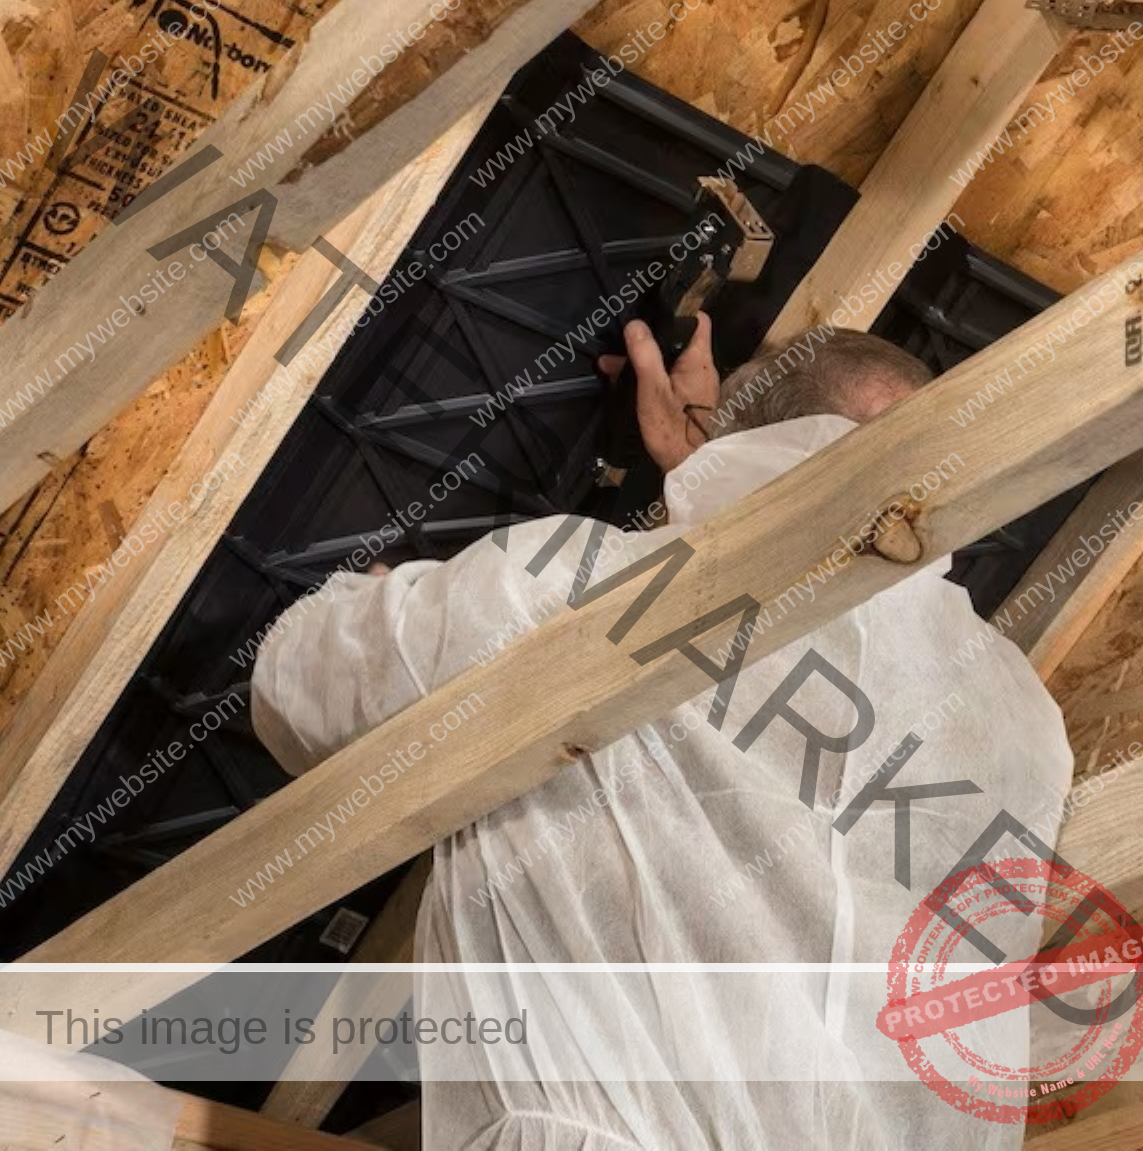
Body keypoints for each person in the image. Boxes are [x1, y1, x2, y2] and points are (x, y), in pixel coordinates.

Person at [251, 315, 1074, 1149]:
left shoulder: (575, 588)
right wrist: (711, 478)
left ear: (752, 440)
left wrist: (383, 602)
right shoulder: (1026, 730)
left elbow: (297, 694)